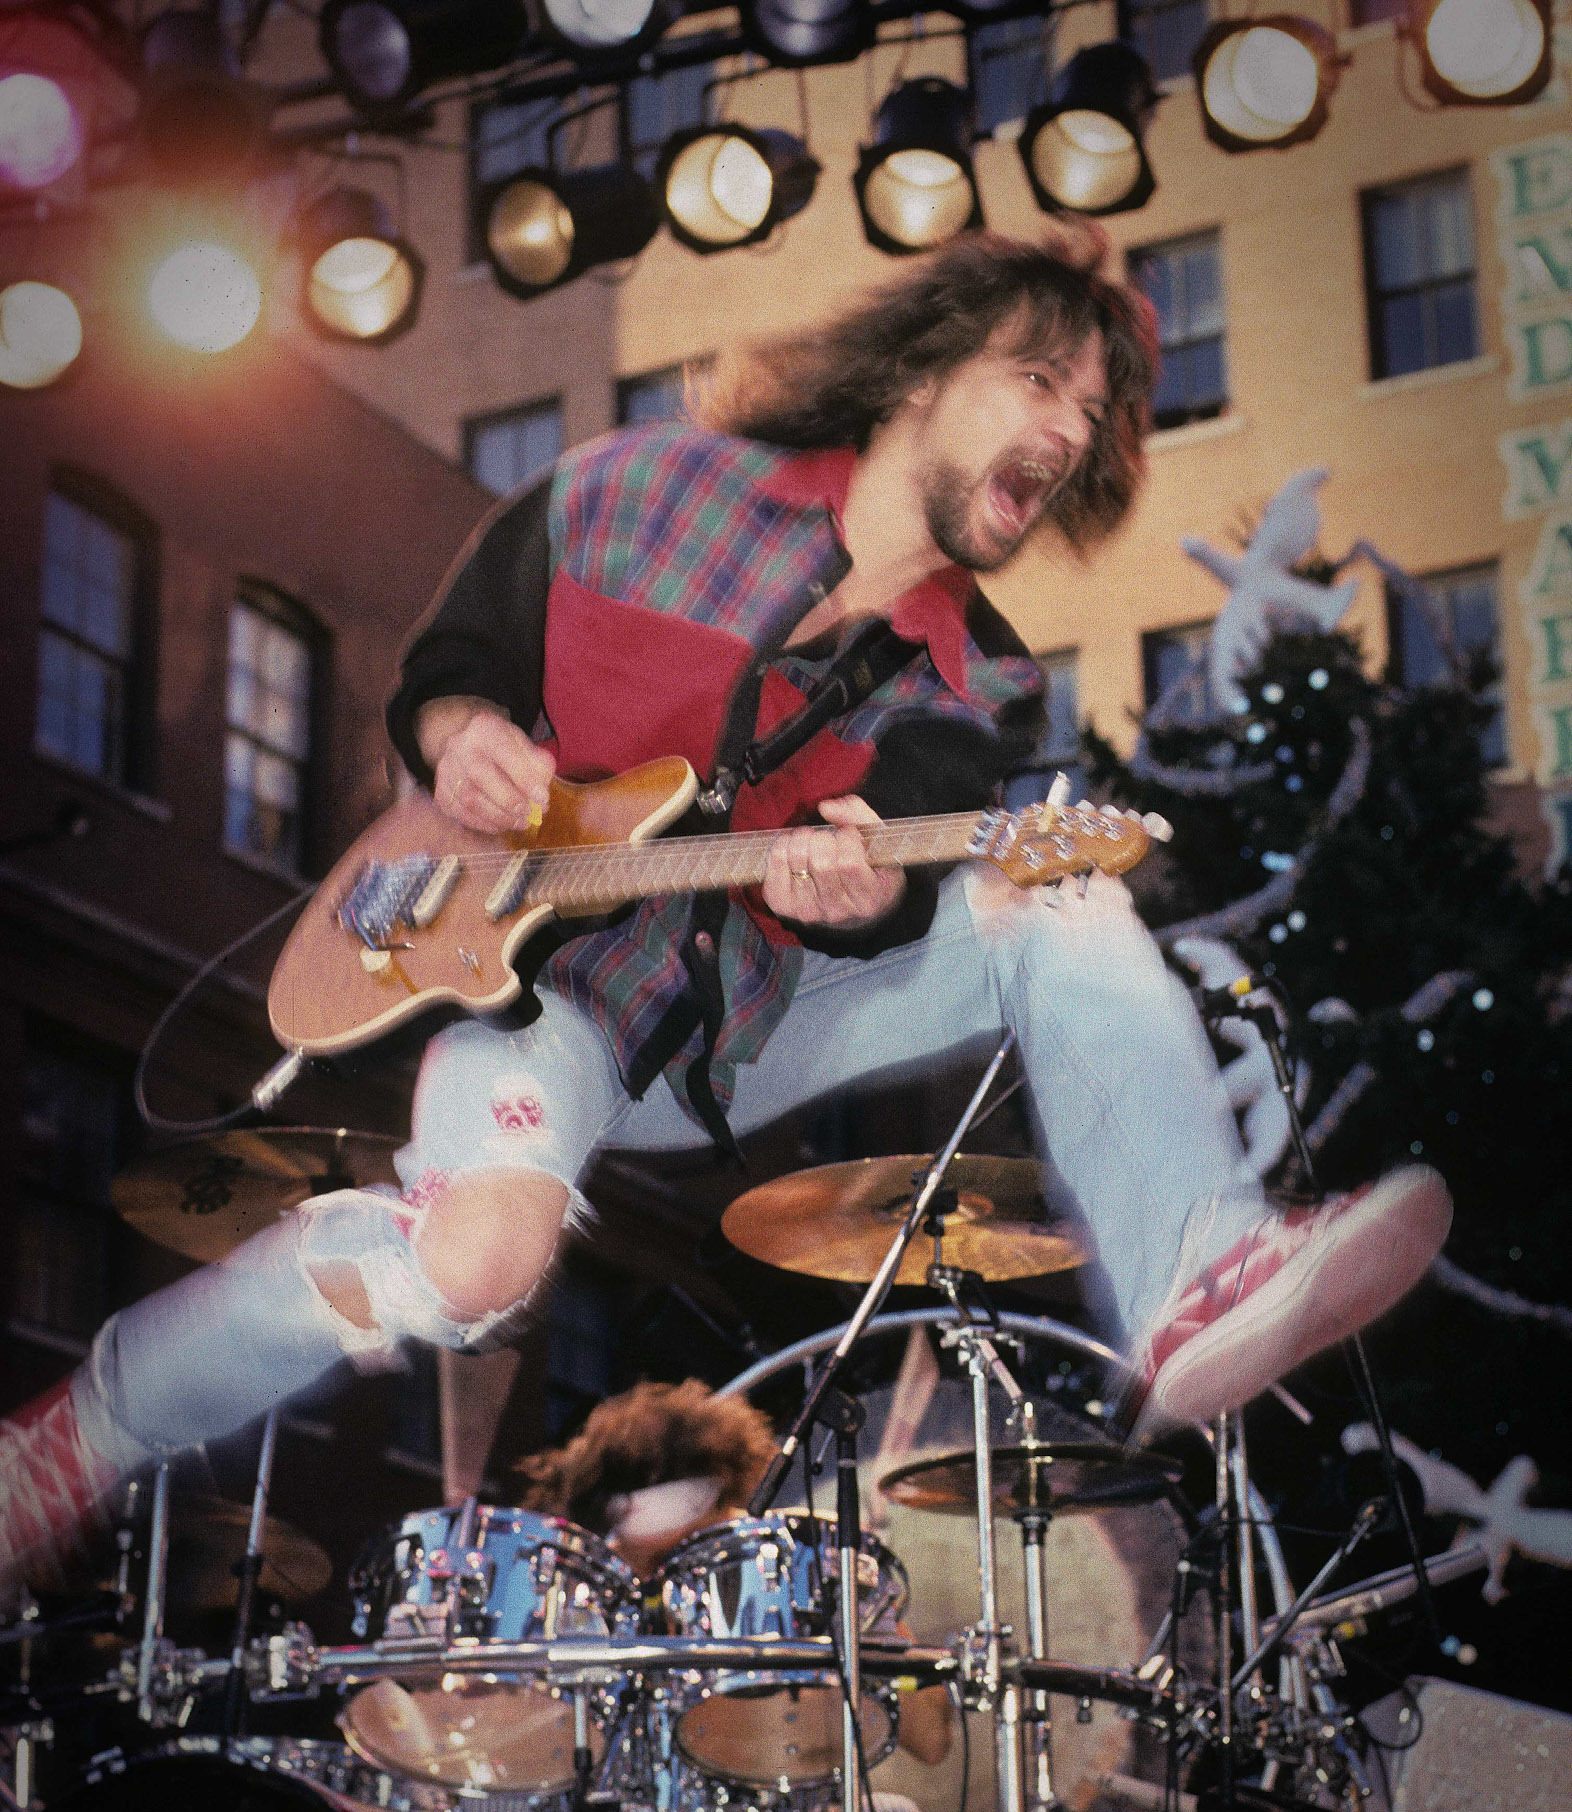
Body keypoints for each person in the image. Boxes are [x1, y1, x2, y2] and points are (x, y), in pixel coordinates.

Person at [0, 227, 1453, 1605]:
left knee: (1046, 891)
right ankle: (84, 1435)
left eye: (1094, 410)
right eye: (1041, 382)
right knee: (477, 1264)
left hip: (750, 1022)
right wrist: (460, 734)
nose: (1072, 432)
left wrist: (864, 894)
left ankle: (1197, 1271)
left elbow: (891, 895)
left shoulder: (978, 681)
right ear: (922, 371)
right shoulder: (640, 493)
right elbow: (460, 654)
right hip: (541, 998)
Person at [516, 1377, 951, 1812]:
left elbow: (931, 1739)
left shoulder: (777, 1582)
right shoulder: (569, 1602)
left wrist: (884, 1630)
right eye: (660, 1548)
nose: (678, 1563)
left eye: (706, 1523)